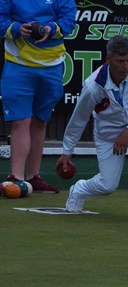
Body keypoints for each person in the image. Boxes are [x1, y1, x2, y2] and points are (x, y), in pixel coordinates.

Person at [56, 35, 128, 223]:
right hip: (108, 133)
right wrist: (67, 151)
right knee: (108, 185)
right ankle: (79, 189)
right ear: (108, 60)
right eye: (120, 61)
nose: (125, 66)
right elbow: (79, 119)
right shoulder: (93, 86)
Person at [0, 0, 77, 193]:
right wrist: (17, 28)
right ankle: (16, 177)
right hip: (18, 64)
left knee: (40, 121)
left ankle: (33, 177)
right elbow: (1, 19)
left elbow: (68, 21)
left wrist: (50, 29)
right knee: (20, 121)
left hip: (52, 66)